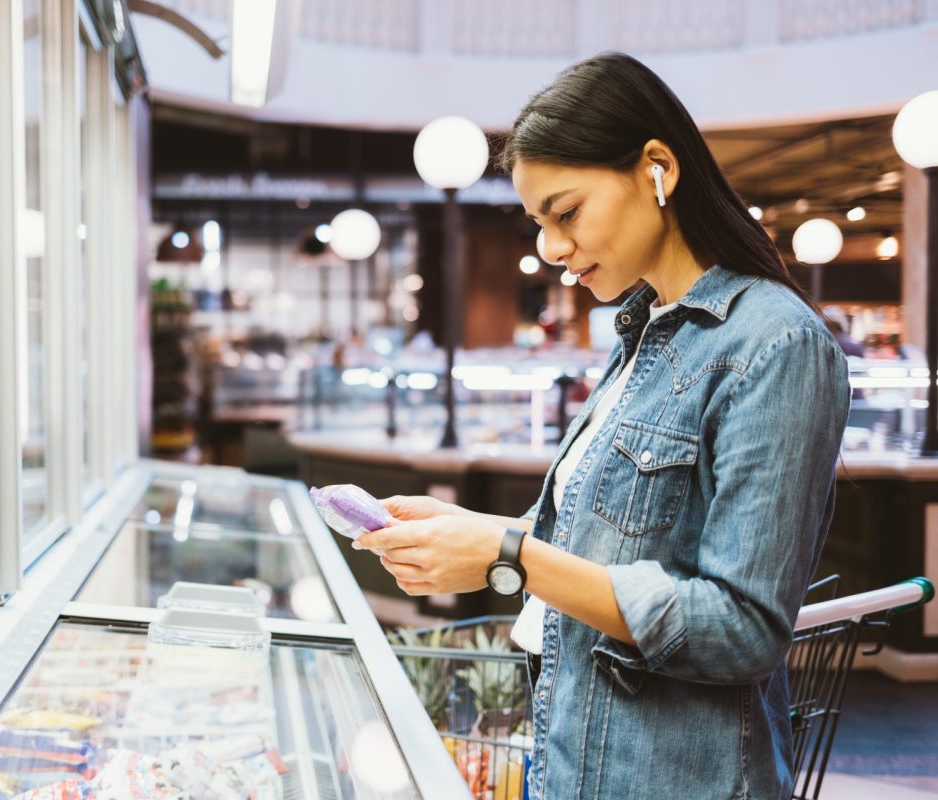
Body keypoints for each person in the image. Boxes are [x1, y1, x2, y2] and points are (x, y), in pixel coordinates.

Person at [353, 53, 850, 799]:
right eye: (538, 222)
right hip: (580, 762)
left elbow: (741, 627)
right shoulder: (641, 334)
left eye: (567, 212)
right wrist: (473, 531)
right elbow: (606, 534)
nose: (550, 248)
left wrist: (510, 553)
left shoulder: (776, 344)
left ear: (657, 168)